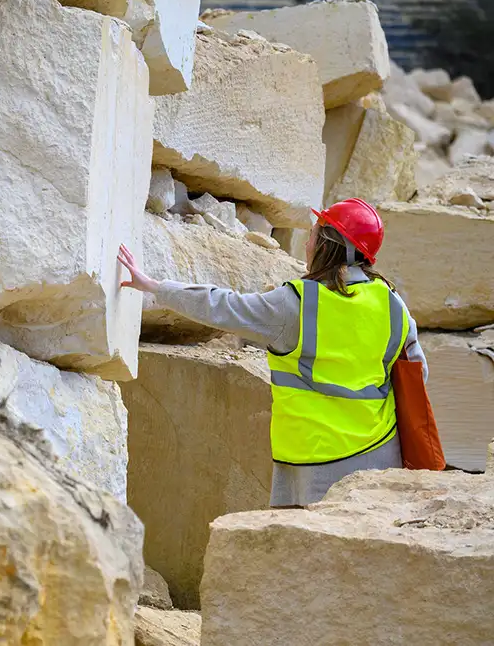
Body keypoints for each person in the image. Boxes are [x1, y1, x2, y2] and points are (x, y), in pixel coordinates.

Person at [118, 198, 427, 508]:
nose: (307, 243)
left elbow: (224, 307)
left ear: (327, 246)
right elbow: (417, 374)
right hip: (381, 456)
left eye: (313, 235)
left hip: (315, 463)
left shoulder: (297, 304)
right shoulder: (392, 305)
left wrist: (156, 287)